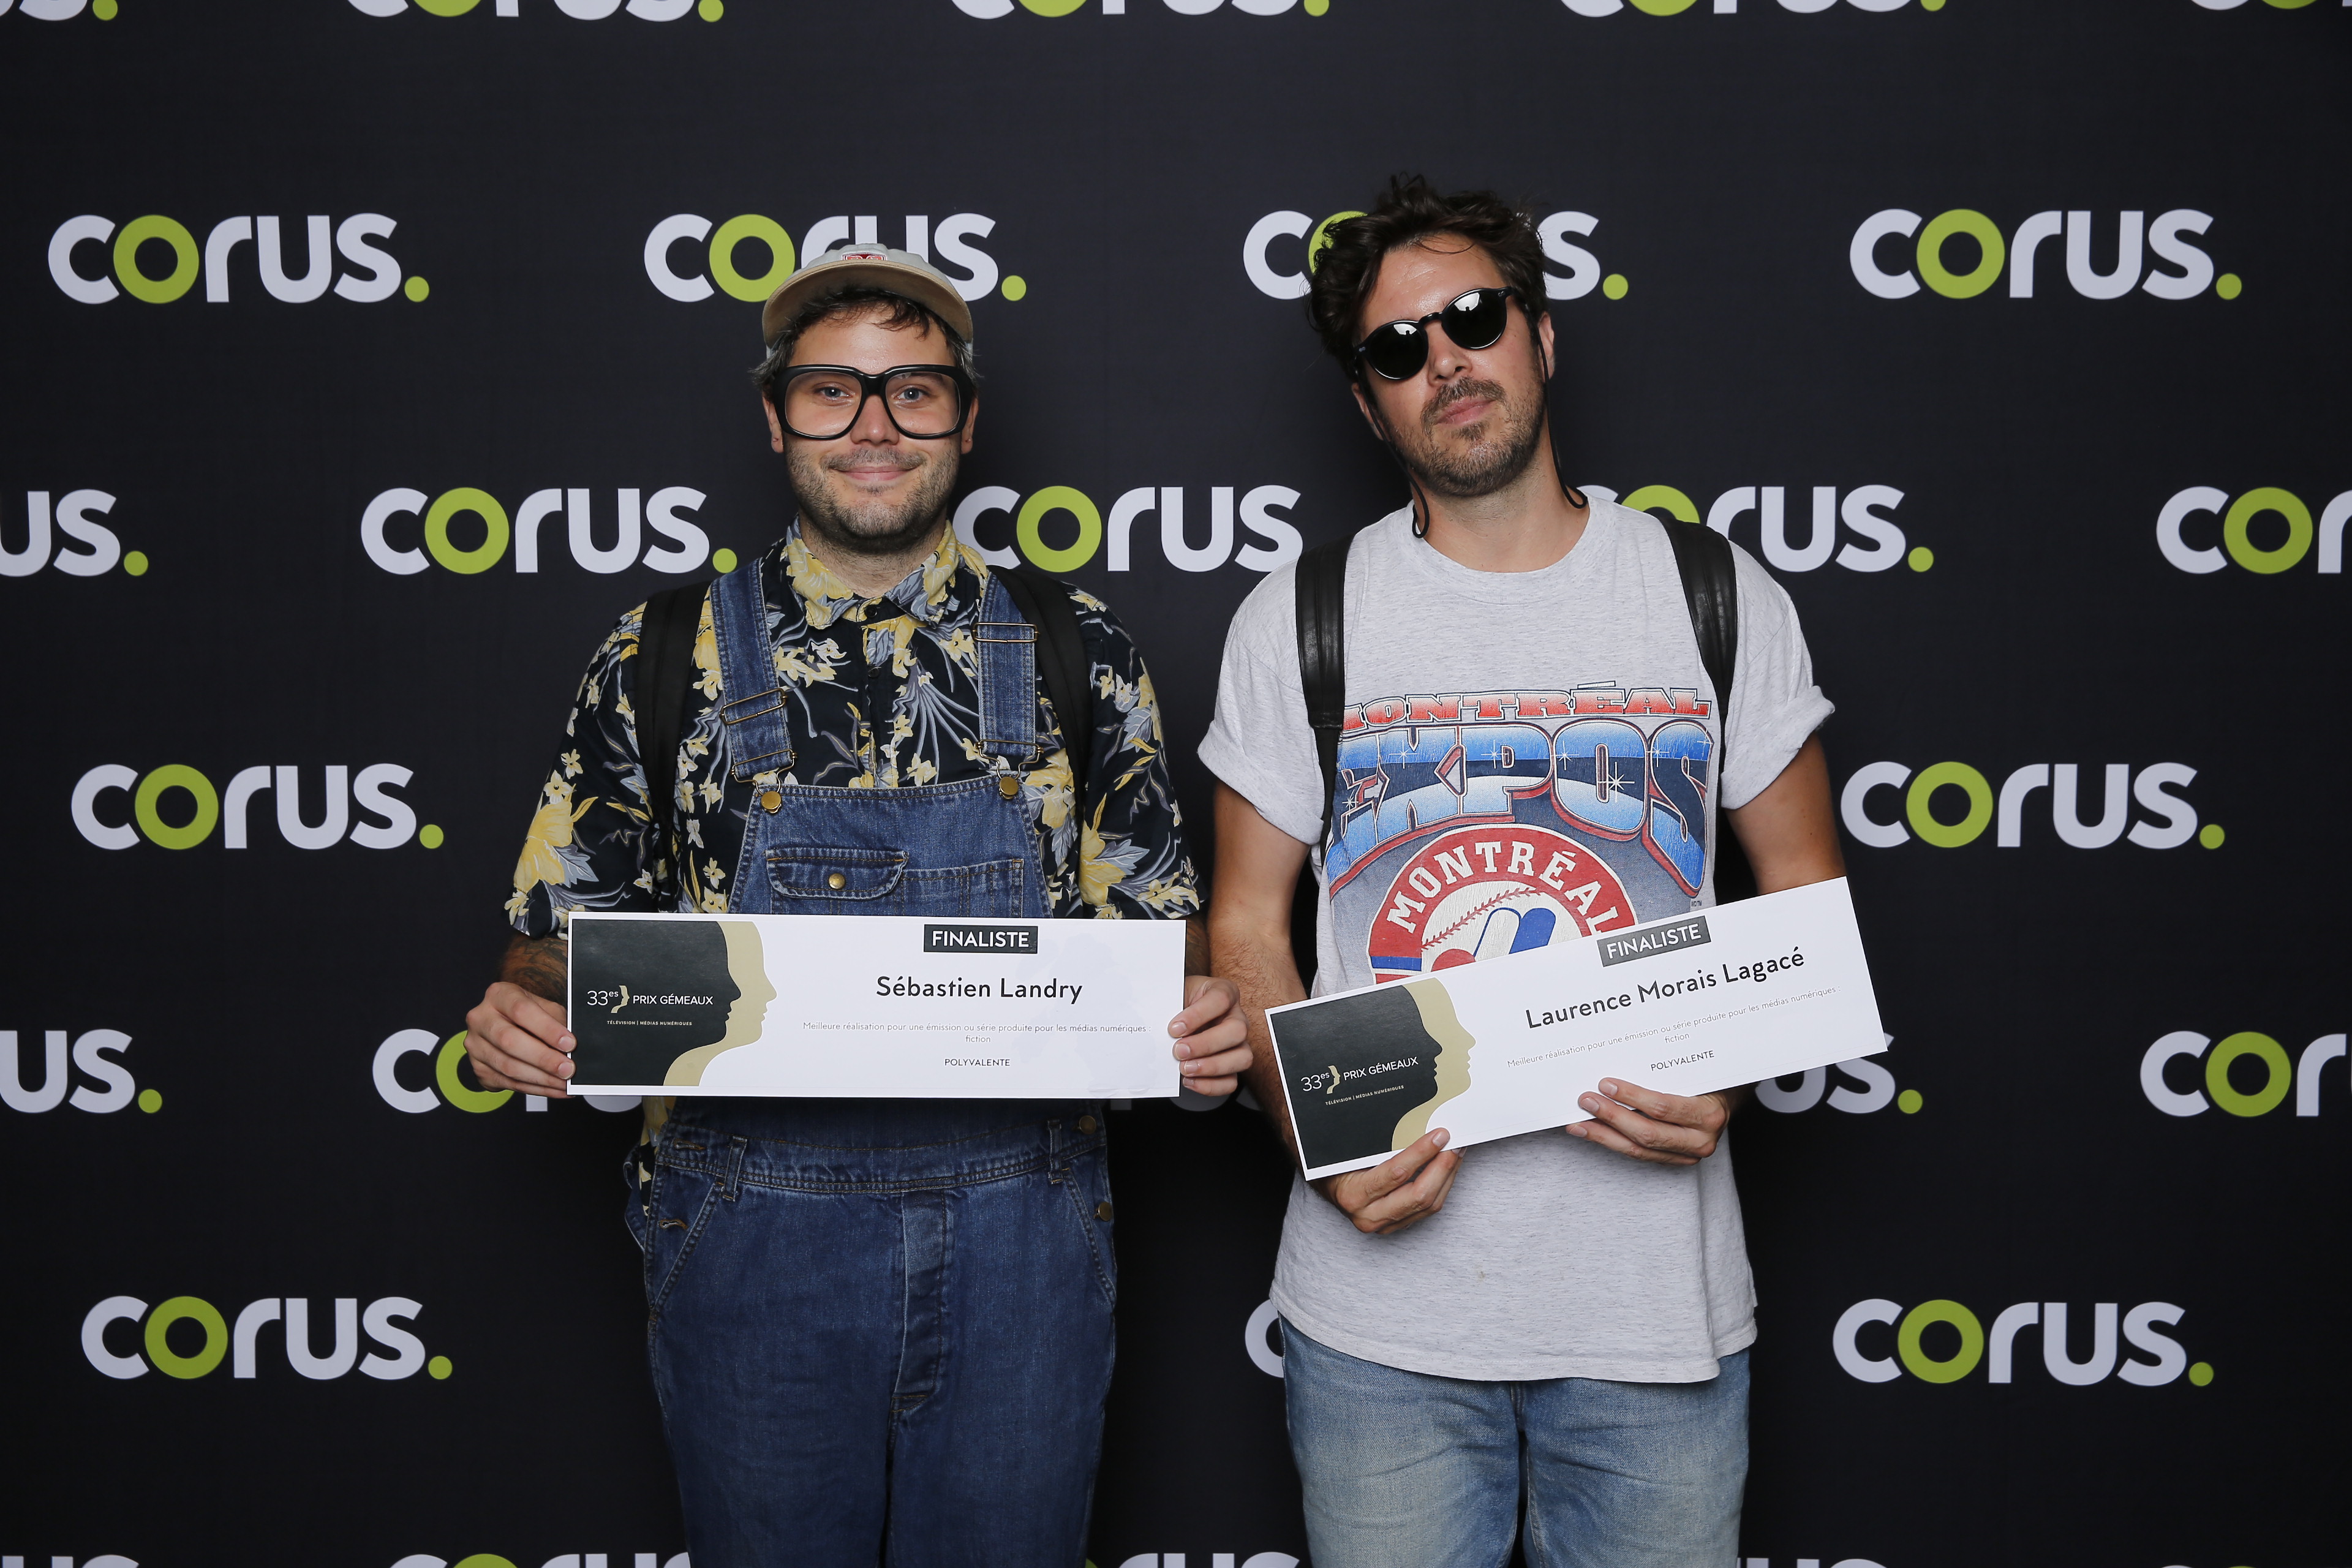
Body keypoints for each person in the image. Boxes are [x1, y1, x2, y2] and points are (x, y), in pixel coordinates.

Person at [461, 244, 1251, 1568]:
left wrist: (1200, 1029)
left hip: (1025, 1242)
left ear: (966, 422)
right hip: (746, 1239)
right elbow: (556, 945)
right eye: (833, 390)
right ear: (777, 418)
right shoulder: (658, 654)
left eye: (914, 391)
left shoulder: (1084, 651)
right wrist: (524, 1011)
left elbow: (1161, 956)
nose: (874, 426)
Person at [1201, 176, 1846, 1567]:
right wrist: (1314, 1133)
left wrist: (1734, 1071)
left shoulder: (1713, 594)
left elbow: (1803, 894)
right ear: (1369, 402)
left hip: (1654, 1320)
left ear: (1541, 335)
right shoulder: (1300, 617)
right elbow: (1247, 923)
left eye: (1475, 318)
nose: (1444, 359)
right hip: (1378, 1329)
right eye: (1398, 347)